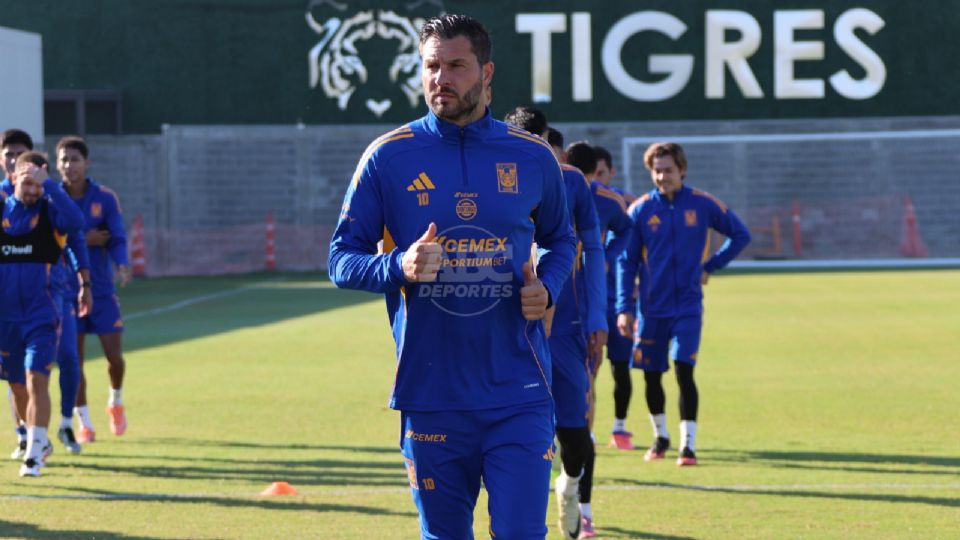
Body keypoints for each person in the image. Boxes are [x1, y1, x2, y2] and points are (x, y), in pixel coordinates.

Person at [328, 14, 576, 539]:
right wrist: (399, 265)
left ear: (486, 72)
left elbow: (562, 239)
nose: (441, 78)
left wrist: (547, 287)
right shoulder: (387, 157)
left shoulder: (531, 157)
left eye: (455, 66)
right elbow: (340, 260)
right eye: (431, 67)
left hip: (519, 391)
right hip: (431, 395)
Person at [502, 109, 605, 540]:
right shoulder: (493, 177)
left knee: (575, 427)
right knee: (518, 428)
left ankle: (573, 487)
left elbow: (594, 247)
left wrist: (598, 315)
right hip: (509, 324)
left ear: (551, 144)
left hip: (567, 327)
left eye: (541, 145)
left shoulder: (571, 182)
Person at [616, 142, 750, 466]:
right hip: (651, 309)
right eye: (657, 171)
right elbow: (626, 262)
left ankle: (688, 446)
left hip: (688, 306)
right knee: (650, 375)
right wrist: (624, 308)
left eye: (668, 170)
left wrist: (710, 266)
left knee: (684, 370)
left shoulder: (703, 204)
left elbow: (740, 234)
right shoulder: (641, 210)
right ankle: (660, 437)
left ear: (682, 170)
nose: (663, 176)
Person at [1, 129, 89, 459]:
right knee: (17, 380)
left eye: (20, 154)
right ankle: (26, 434)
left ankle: (64, 423)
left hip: (54, 296)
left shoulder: (53, 203)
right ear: (4, 163)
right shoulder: (3, 203)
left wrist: (85, 280)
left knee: (65, 358)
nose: (14, 159)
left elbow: (76, 233)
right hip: (9, 308)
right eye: (9, 154)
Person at [564, 141, 631, 538]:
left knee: (583, 406)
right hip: (548, 314)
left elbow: (628, 231)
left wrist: (602, 255)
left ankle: (581, 506)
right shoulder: (543, 191)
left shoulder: (605, 202)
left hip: (589, 314)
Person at [57, 136, 131, 441]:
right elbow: (53, 238)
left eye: (74, 159)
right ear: (56, 164)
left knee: (114, 356)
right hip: (65, 291)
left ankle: (115, 401)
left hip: (100, 289)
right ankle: (84, 422)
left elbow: (115, 235)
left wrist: (122, 262)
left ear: (86, 163)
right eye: (63, 160)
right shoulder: (52, 198)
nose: (69, 166)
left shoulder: (105, 197)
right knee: (74, 360)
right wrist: (85, 239)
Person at [591, 145, 639, 451]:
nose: (597, 179)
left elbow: (641, 245)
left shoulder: (627, 204)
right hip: (590, 299)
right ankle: (586, 427)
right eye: (593, 174)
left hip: (621, 298)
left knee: (620, 367)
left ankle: (620, 428)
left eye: (602, 173)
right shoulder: (576, 199)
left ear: (612, 172)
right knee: (587, 368)